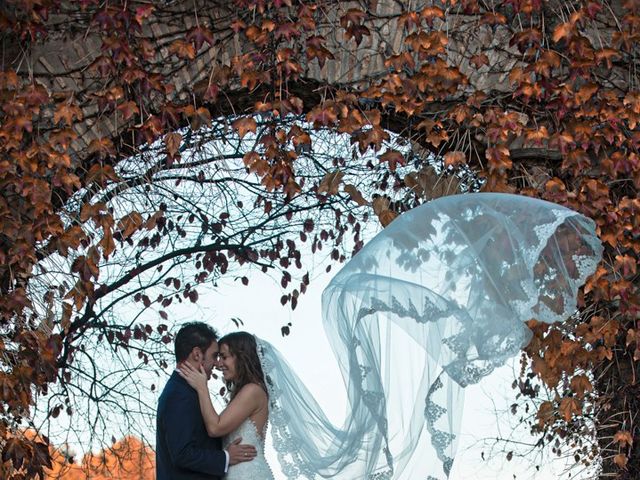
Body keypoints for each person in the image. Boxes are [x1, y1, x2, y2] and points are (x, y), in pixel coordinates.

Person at [156, 322, 257, 480]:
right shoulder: (179, 394)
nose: (217, 363)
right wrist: (226, 457)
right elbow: (182, 454)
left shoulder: (186, 390)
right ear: (197, 354)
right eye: (214, 355)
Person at [178, 331, 275, 480]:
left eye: (224, 357)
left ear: (242, 357)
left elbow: (215, 428)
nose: (218, 363)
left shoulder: (253, 390)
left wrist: (202, 387)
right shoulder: (246, 391)